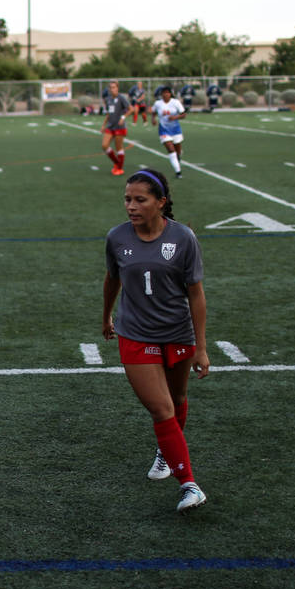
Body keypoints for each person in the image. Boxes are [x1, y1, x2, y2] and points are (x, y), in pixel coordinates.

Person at [102, 168, 209, 512]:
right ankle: (189, 485)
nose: (130, 206)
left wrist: (202, 347)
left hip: (178, 333)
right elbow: (111, 280)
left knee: (177, 398)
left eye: (140, 199)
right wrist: (106, 316)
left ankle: (166, 451)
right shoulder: (117, 238)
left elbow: (196, 294)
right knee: (161, 408)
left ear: (160, 203)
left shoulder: (183, 238)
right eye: (127, 199)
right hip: (135, 335)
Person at [151, 87, 187, 178]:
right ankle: (178, 172)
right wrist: (153, 119)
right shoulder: (158, 103)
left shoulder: (175, 102)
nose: (165, 94)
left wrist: (175, 118)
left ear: (170, 94)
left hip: (176, 130)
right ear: (161, 94)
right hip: (164, 130)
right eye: (163, 93)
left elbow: (184, 114)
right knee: (171, 149)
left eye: (167, 92)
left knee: (177, 151)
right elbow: (153, 112)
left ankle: (178, 158)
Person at [101, 80, 131, 176]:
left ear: (117, 88)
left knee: (119, 147)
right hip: (110, 126)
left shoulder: (121, 98)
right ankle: (117, 163)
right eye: (110, 87)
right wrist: (103, 124)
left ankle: (119, 168)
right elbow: (108, 114)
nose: (112, 89)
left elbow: (131, 109)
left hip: (119, 127)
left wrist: (123, 118)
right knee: (104, 145)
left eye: (114, 87)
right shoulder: (108, 99)